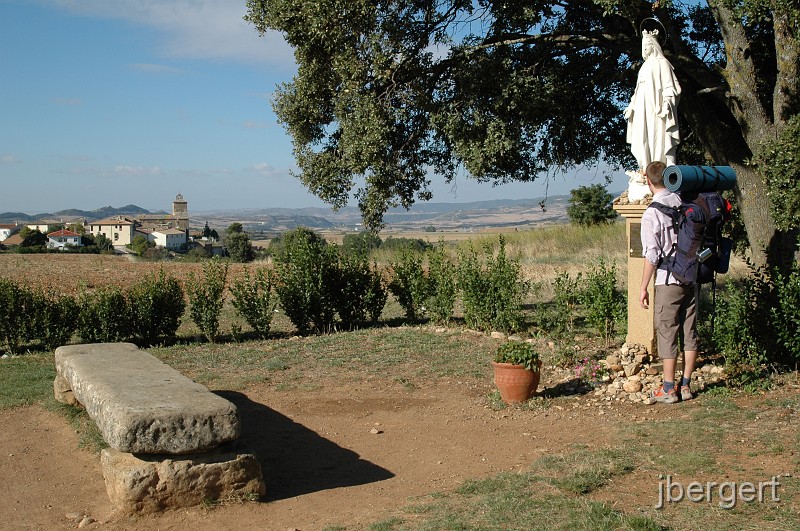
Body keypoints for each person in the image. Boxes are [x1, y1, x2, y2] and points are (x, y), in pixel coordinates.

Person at [639, 160, 697, 403]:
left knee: (667, 332)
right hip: (691, 275)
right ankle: (686, 386)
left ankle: (668, 388)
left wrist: (643, 287)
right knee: (690, 331)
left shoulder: (652, 213)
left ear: (648, 181)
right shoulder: (685, 203)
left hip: (667, 279)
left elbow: (652, 254)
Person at [625, 28, 681, 172]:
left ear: (654, 45)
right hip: (641, 108)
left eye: (648, 44)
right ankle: (645, 169)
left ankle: (657, 168)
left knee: (656, 135)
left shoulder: (662, 63)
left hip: (655, 108)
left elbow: (670, 86)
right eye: (643, 45)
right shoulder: (643, 67)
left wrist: (668, 100)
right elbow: (637, 91)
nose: (645, 47)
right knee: (642, 136)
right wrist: (632, 106)